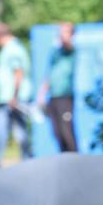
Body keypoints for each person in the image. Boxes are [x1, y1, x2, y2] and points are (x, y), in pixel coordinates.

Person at [0, 22, 33, 169]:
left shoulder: (13, 49)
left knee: (11, 133)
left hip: (12, 99)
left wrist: (14, 96)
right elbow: (6, 74)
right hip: (7, 97)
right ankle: (25, 161)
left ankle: (25, 162)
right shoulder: (8, 49)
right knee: (13, 131)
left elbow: (18, 73)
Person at [42, 21, 78, 153]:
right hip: (54, 96)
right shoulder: (55, 53)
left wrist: (65, 33)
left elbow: (67, 43)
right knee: (57, 132)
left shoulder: (70, 51)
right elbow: (49, 75)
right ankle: (64, 158)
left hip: (65, 97)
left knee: (66, 130)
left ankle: (75, 160)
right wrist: (42, 95)